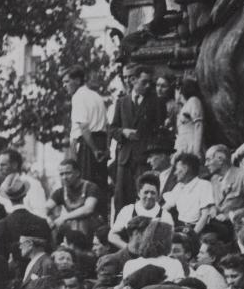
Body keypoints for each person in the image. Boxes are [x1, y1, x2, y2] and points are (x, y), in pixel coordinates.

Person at [110, 66, 164, 210]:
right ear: (133, 80)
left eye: (149, 83)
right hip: (125, 158)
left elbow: (160, 131)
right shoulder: (122, 102)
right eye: (144, 82)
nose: (147, 86)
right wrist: (123, 132)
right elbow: (112, 128)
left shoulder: (156, 102)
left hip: (144, 158)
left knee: (144, 195)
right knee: (121, 197)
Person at [67, 68, 110, 189]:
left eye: (67, 81)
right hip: (100, 142)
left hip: (88, 145)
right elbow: (107, 126)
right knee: (100, 184)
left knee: (86, 184)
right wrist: (105, 148)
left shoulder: (78, 96)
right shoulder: (97, 96)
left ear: (77, 80)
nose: (65, 85)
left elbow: (84, 127)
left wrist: (95, 150)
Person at [204, 143, 244, 223]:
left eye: (208, 160)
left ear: (220, 159)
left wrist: (231, 215)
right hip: (218, 227)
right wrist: (213, 208)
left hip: (237, 227)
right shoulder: (213, 180)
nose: (206, 164)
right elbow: (214, 204)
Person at [162, 153, 214, 232]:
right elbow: (165, 208)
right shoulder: (179, 187)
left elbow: (205, 216)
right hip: (180, 227)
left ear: (185, 169)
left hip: (199, 230)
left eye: (176, 169)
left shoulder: (204, 185)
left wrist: (192, 236)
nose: (175, 173)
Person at [0, 150, 50, 220]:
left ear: (15, 165)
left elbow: (40, 214)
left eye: (3, 165)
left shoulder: (32, 184)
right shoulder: (4, 185)